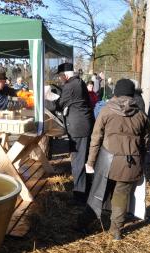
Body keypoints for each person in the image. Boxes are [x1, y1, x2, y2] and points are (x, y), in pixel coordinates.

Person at [78, 79, 150, 240]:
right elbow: (146, 143)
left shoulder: (106, 111)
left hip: (107, 162)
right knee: (121, 196)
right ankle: (116, 231)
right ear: (132, 94)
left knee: (98, 194)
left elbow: (95, 138)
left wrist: (90, 162)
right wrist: (141, 162)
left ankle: (82, 223)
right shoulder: (141, 114)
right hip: (131, 162)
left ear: (115, 93)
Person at [47, 62, 95, 203]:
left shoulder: (70, 86)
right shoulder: (78, 82)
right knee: (84, 159)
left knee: (78, 162)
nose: (60, 79)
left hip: (78, 128)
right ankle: (87, 190)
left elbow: (58, 105)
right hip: (84, 125)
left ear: (66, 75)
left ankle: (80, 196)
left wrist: (43, 100)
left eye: (61, 76)